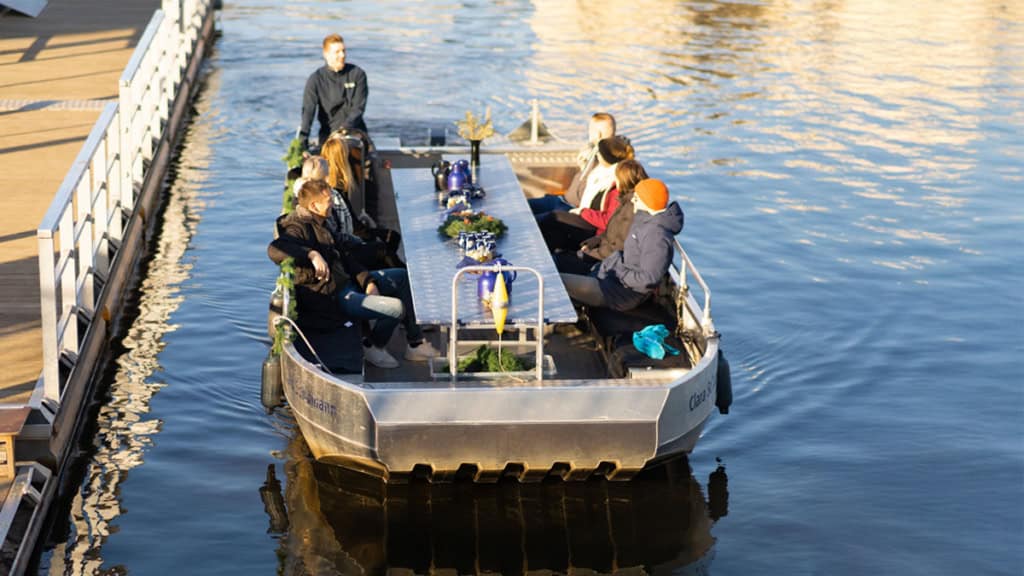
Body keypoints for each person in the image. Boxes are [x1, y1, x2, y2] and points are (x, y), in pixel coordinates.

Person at [268, 180, 438, 367]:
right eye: (328, 201)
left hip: (349, 282)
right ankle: (373, 345)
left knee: (402, 276)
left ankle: (415, 343)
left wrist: (368, 282)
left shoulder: (323, 223)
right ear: (314, 206)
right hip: (335, 296)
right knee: (396, 308)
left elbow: (347, 259)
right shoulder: (297, 226)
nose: (333, 204)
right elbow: (275, 249)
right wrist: (312, 254)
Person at [560, 179, 683, 312]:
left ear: (648, 203)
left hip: (623, 293)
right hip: (613, 279)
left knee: (556, 283)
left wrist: (619, 271)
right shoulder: (644, 220)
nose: (633, 201)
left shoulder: (657, 236)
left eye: (636, 198)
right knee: (558, 278)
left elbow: (648, 278)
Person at [540, 159, 647, 254]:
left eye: (617, 178)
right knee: (556, 233)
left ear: (624, 179)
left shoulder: (624, 199)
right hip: (598, 230)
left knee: (555, 217)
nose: (615, 180)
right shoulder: (620, 193)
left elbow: (608, 222)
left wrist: (583, 212)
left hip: (597, 231)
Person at [528, 113, 617, 215]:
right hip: (561, 200)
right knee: (526, 206)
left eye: (590, 130)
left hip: (570, 207)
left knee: (533, 216)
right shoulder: (593, 151)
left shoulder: (606, 159)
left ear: (597, 134)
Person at [299, 33, 368, 152]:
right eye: (337, 52)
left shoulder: (358, 74)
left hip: (355, 133)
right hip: (328, 136)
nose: (342, 55)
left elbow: (358, 109)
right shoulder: (315, 80)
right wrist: (302, 143)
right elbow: (308, 113)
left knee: (371, 159)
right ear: (326, 54)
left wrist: (343, 130)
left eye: (343, 51)